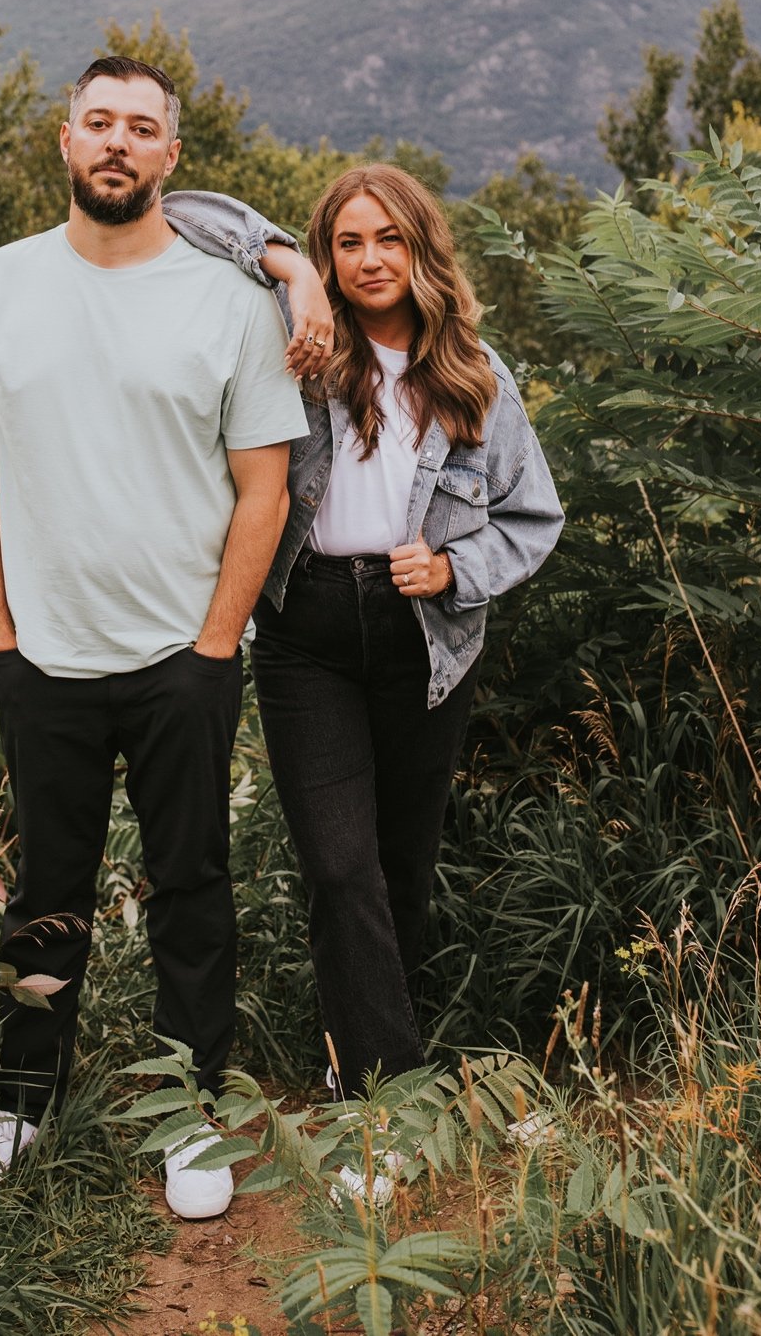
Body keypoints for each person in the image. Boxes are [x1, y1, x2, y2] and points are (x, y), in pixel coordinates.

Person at [0, 55, 308, 1215]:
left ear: (171, 157)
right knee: (47, 889)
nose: (116, 141)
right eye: (97, 121)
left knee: (191, 888)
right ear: (64, 140)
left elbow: (266, 489)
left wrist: (215, 646)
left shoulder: (233, 303)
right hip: (41, 653)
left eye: (139, 127)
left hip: (179, 660)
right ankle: (24, 1097)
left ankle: (188, 1114)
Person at [164, 167, 563, 1111]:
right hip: (305, 628)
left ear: (421, 247)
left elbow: (533, 516)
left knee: (399, 870)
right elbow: (181, 210)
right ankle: (387, 1106)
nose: (370, 258)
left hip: (428, 633)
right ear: (328, 254)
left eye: (389, 238)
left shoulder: (476, 373)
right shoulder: (301, 344)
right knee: (340, 865)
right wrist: (290, 271)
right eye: (348, 242)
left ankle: (351, 1052)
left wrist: (457, 571)